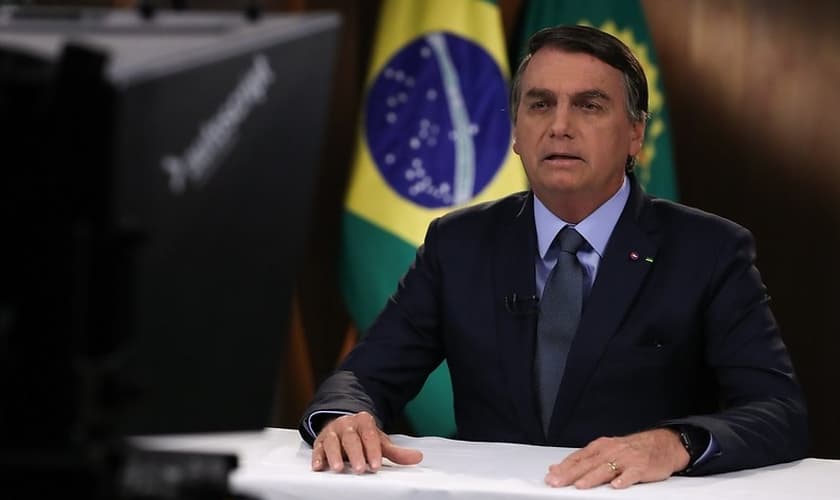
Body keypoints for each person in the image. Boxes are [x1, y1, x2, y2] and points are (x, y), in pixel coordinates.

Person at [299, 25, 808, 489]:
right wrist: (343, 417)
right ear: (515, 132)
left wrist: (673, 443)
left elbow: (778, 412)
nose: (559, 126)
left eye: (589, 105)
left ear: (635, 133)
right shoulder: (458, 243)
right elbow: (363, 377)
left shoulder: (709, 251)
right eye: (540, 104)